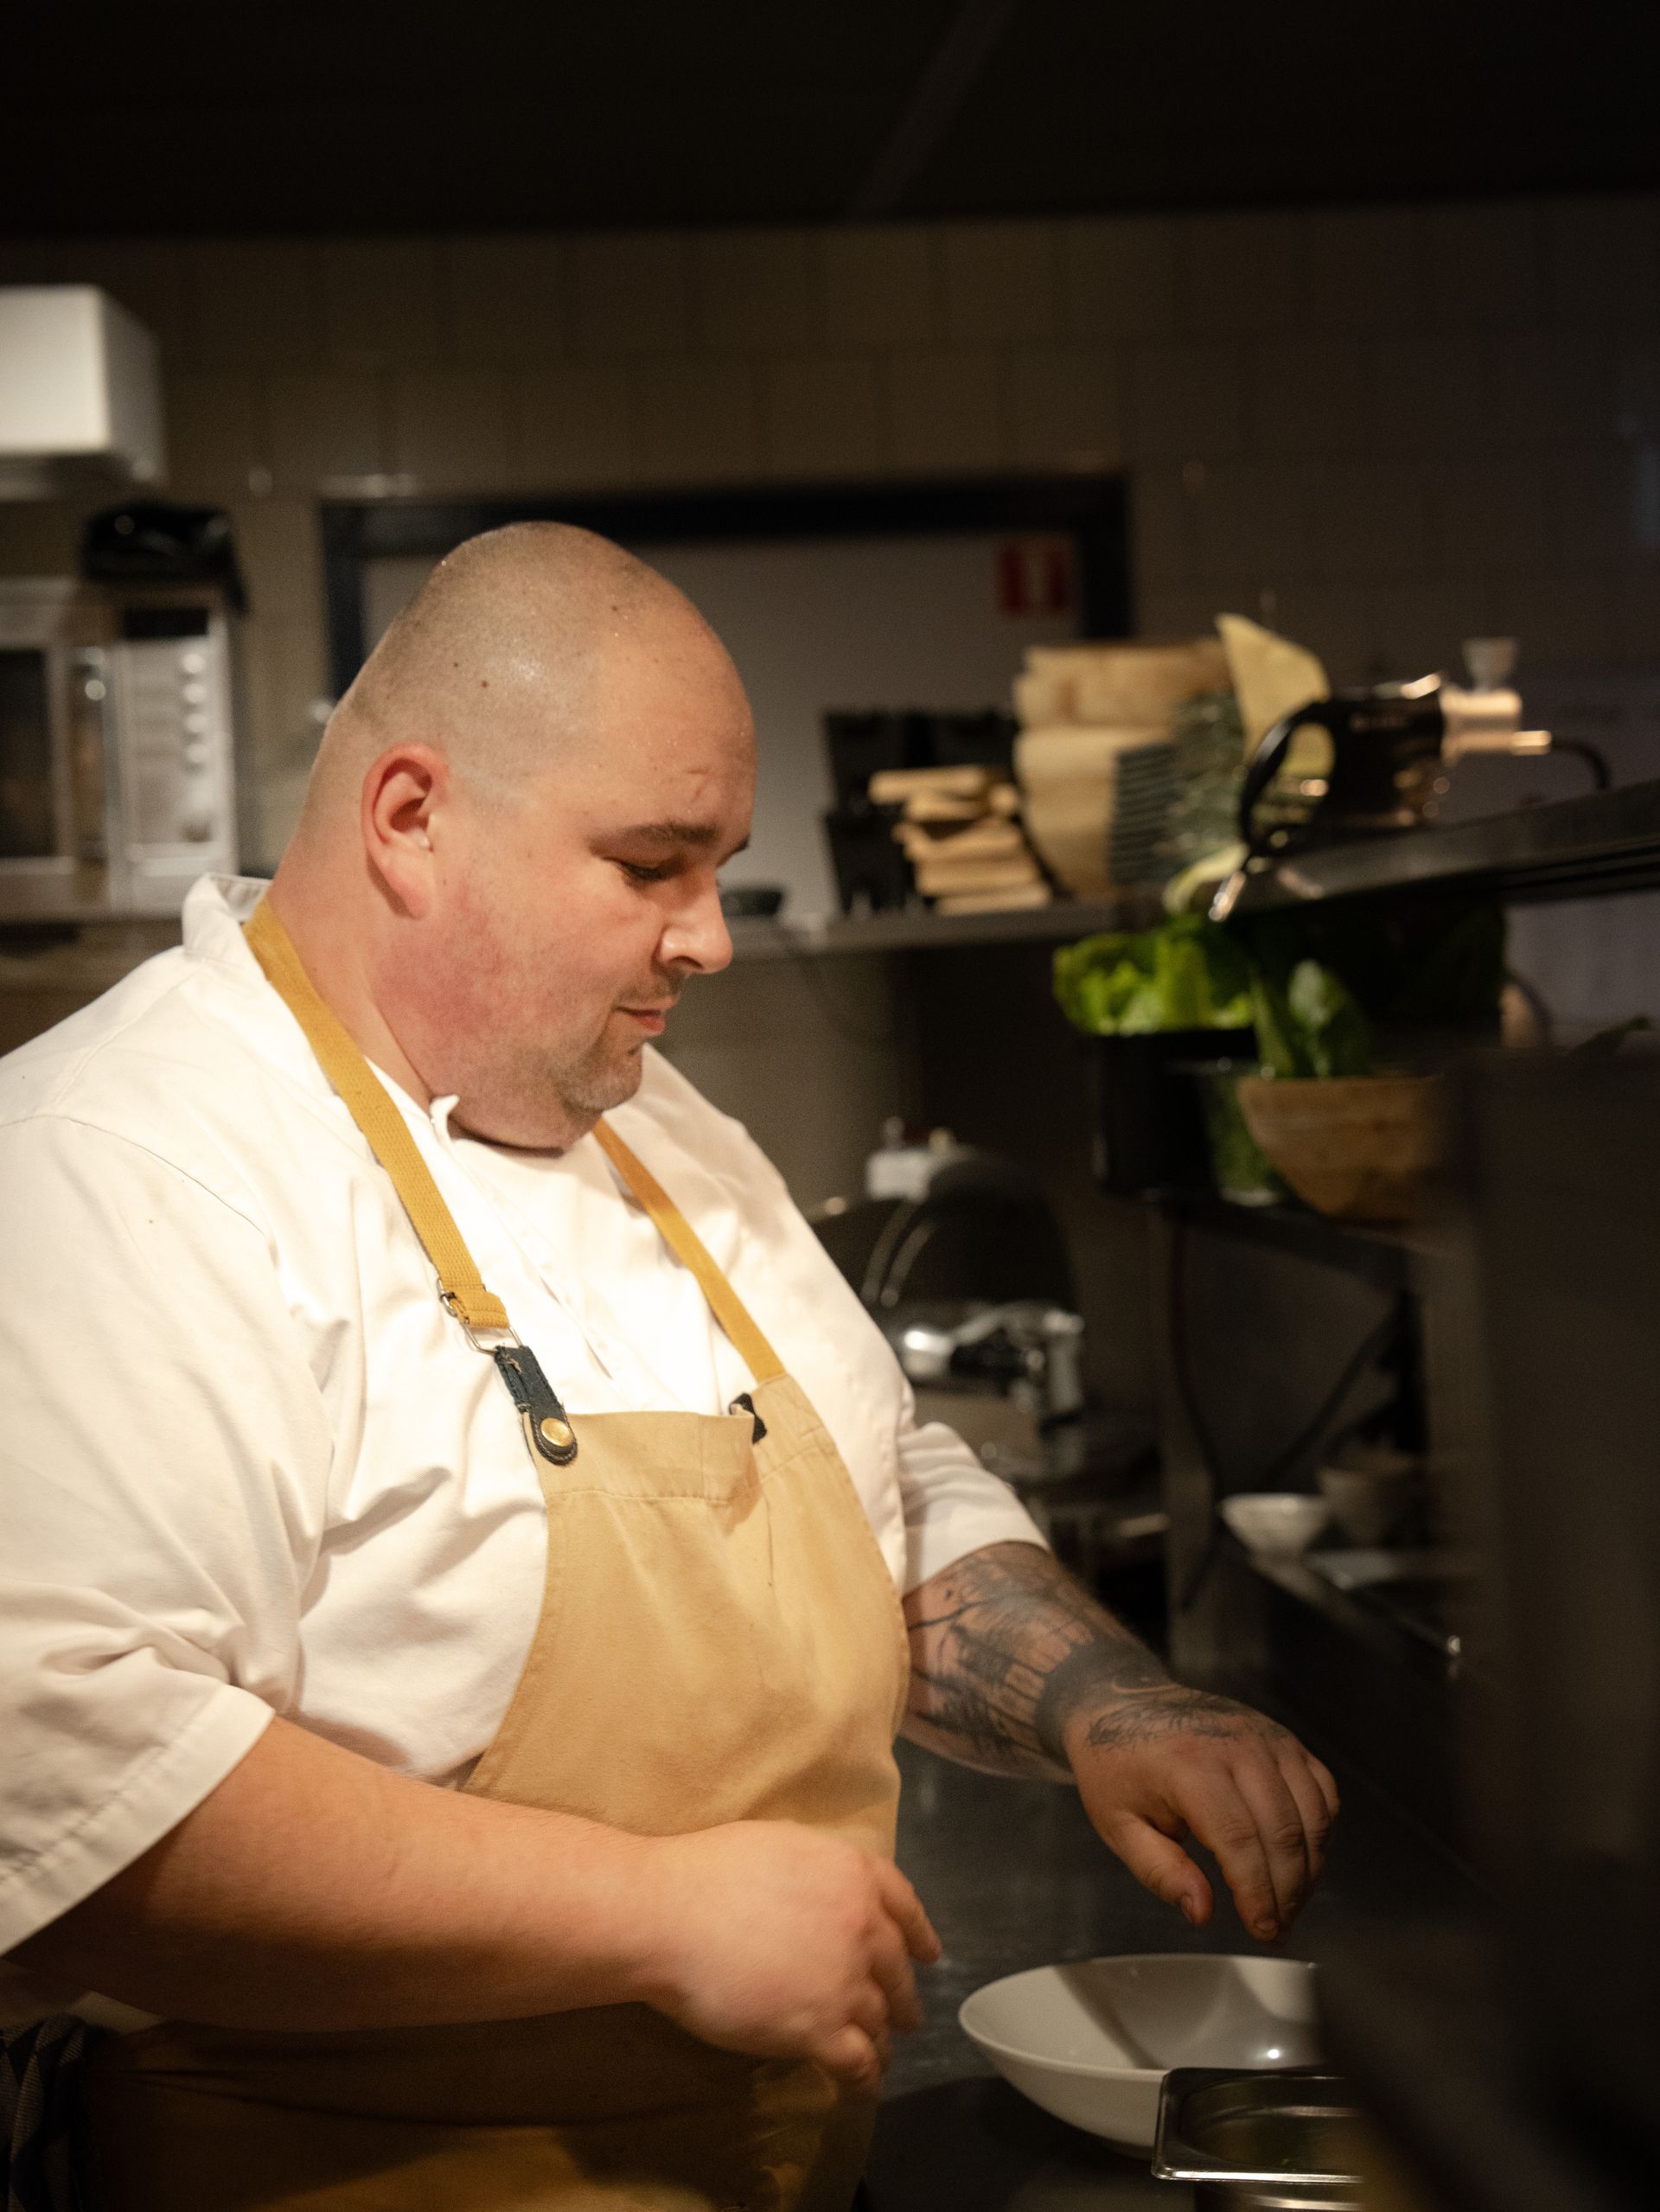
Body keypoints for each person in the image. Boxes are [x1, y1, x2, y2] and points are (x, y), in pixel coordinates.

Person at [0, 525, 1338, 2211]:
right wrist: (659, 1918)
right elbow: (51, 1776)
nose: (708, 937)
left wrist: (1101, 1698)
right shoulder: (122, 1159)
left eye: (718, 866)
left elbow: (876, 1477)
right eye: (653, 864)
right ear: (411, 819)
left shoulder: (655, 1126)